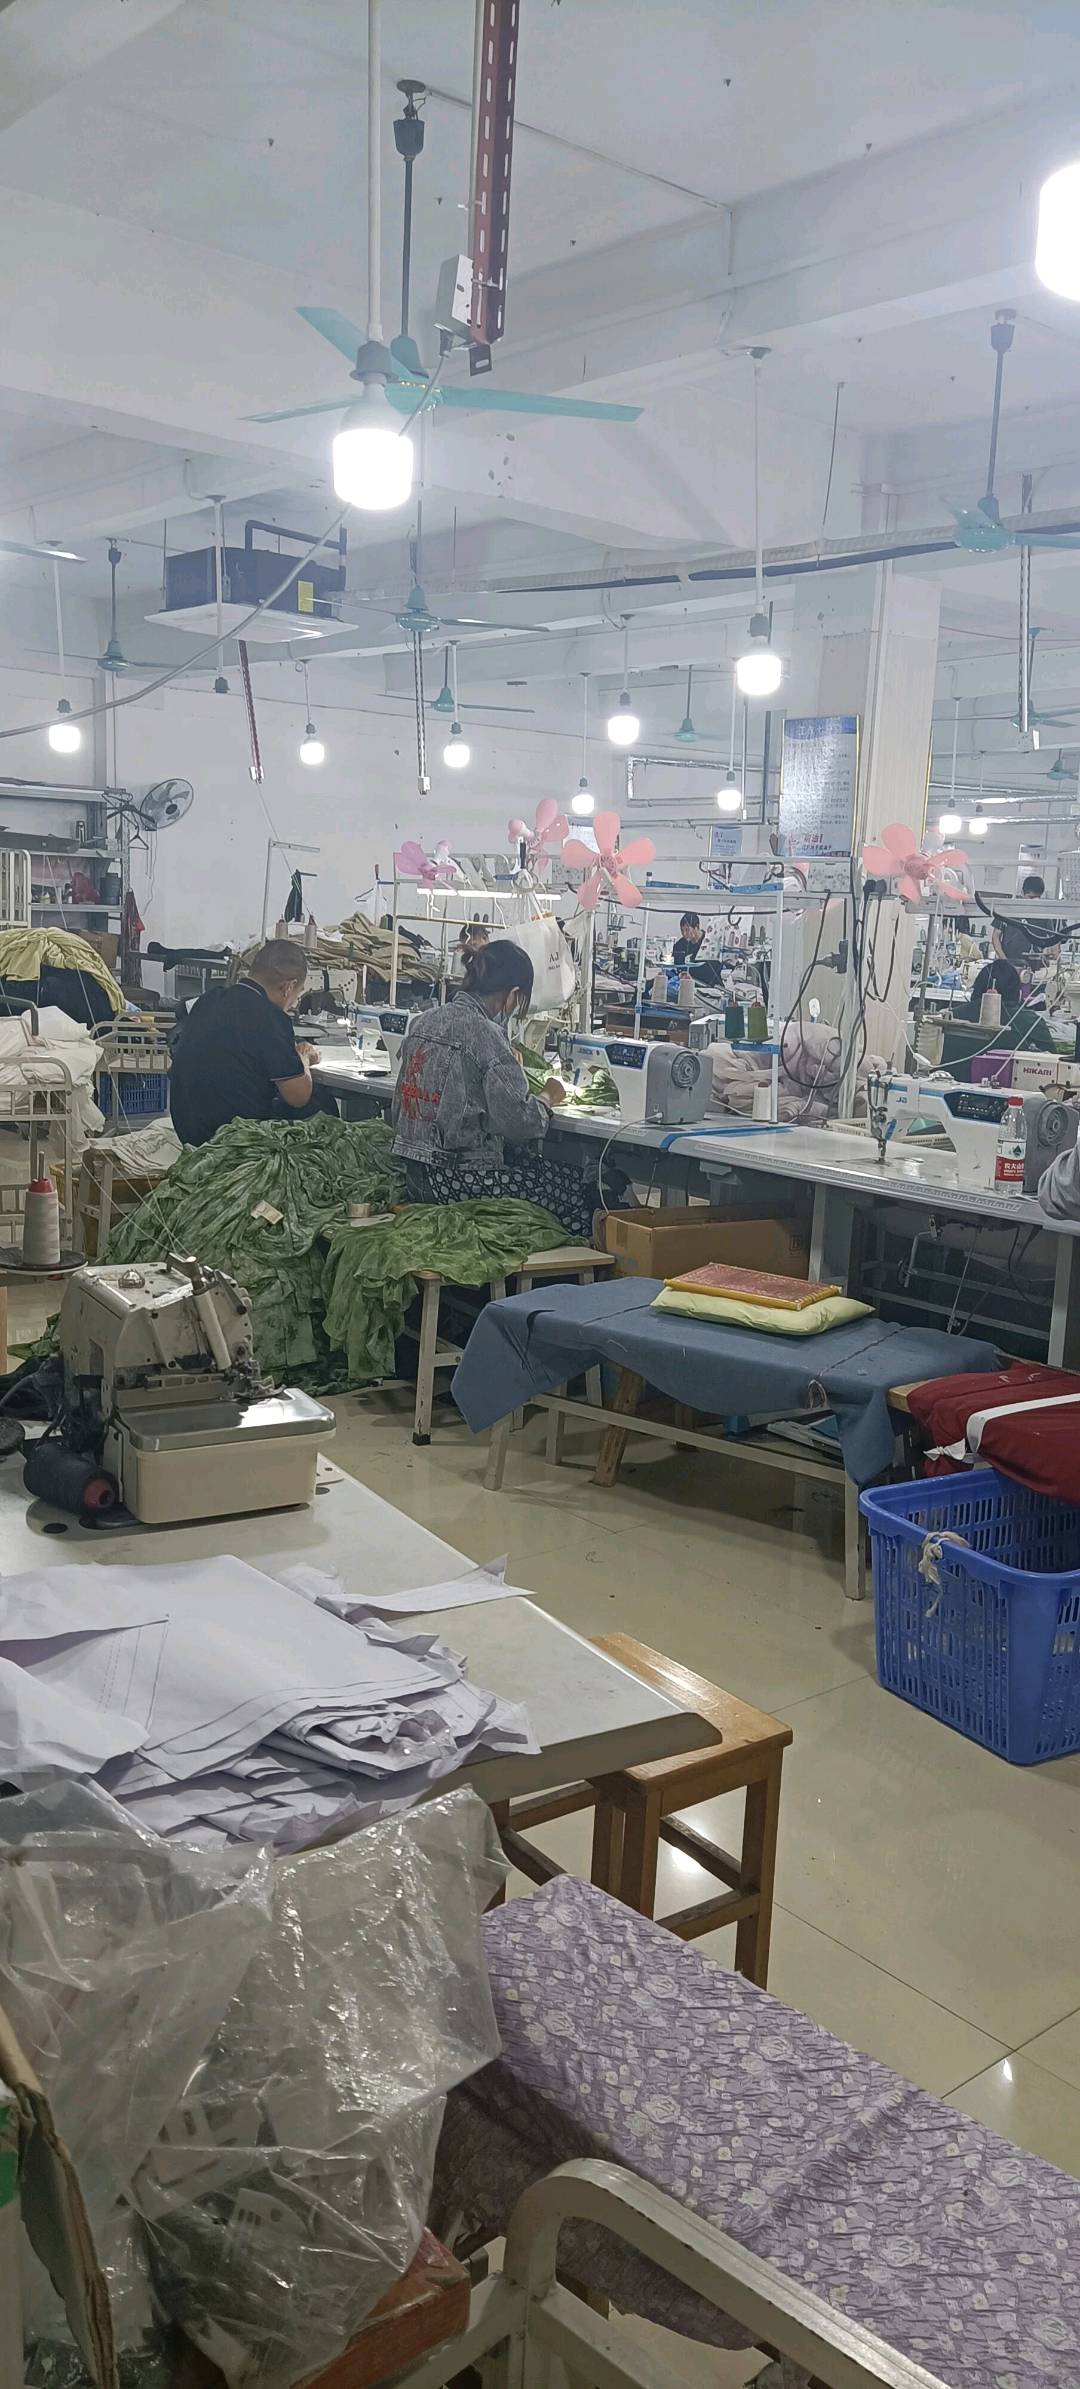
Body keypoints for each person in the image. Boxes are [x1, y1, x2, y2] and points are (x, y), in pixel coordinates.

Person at [391, 938, 602, 1237]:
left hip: (416, 1176)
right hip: (459, 1183)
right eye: (519, 1000)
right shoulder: (487, 1034)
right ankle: (568, 1262)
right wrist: (547, 1096)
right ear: (513, 993)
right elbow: (520, 1123)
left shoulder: (422, 1022)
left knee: (550, 1173)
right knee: (581, 1191)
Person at [170, 939, 335, 1145]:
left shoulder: (209, 999)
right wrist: (304, 1057)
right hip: (231, 1137)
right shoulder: (270, 1017)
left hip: (187, 1128)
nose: (294, 1002)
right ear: (288, 986)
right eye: (298, 993)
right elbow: (298, 1096)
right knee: (321, 1104)